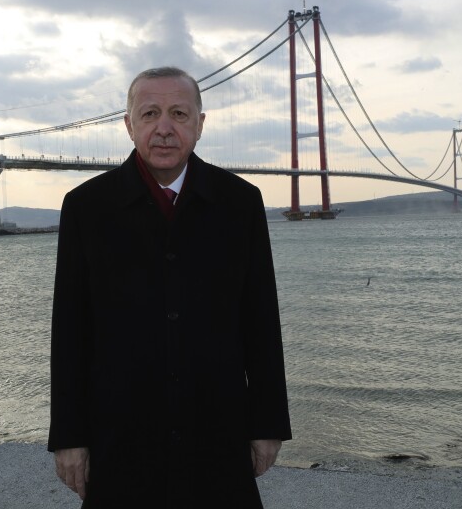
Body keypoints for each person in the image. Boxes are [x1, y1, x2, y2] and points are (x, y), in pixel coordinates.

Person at [48, 66, 291, 508]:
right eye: (149, 114)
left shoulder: (240, 202)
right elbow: (69, 332)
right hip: (119, 434)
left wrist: (268, 424)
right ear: (128, 124)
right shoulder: (86, 208)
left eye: (179, 113)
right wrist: (69, 438)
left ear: (200, 123)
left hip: (218, 429)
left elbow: (260, 320)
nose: (164, 128)